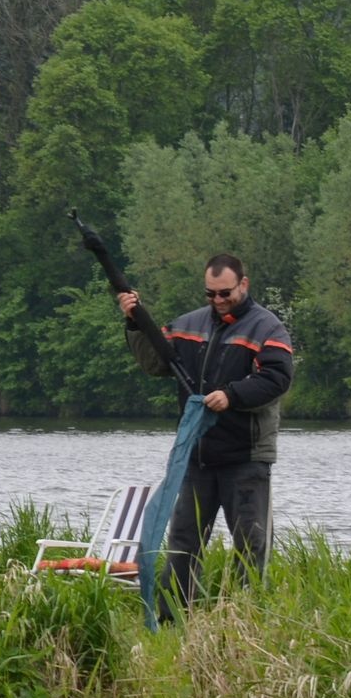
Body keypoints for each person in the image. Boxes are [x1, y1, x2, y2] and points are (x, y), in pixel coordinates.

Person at [117, 252, 295, 606]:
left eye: (225, 293)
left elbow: (277, 379)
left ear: (243, 284)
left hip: (246, 458)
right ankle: (172, 617)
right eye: (210, 294)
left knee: (250, 543)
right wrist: (135, 324)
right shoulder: (188, 324)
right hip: (196, 456)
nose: (218, 300)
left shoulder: (267, 328)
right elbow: (155, 363)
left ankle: (246, 614)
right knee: (182, 543)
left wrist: (231, 396)